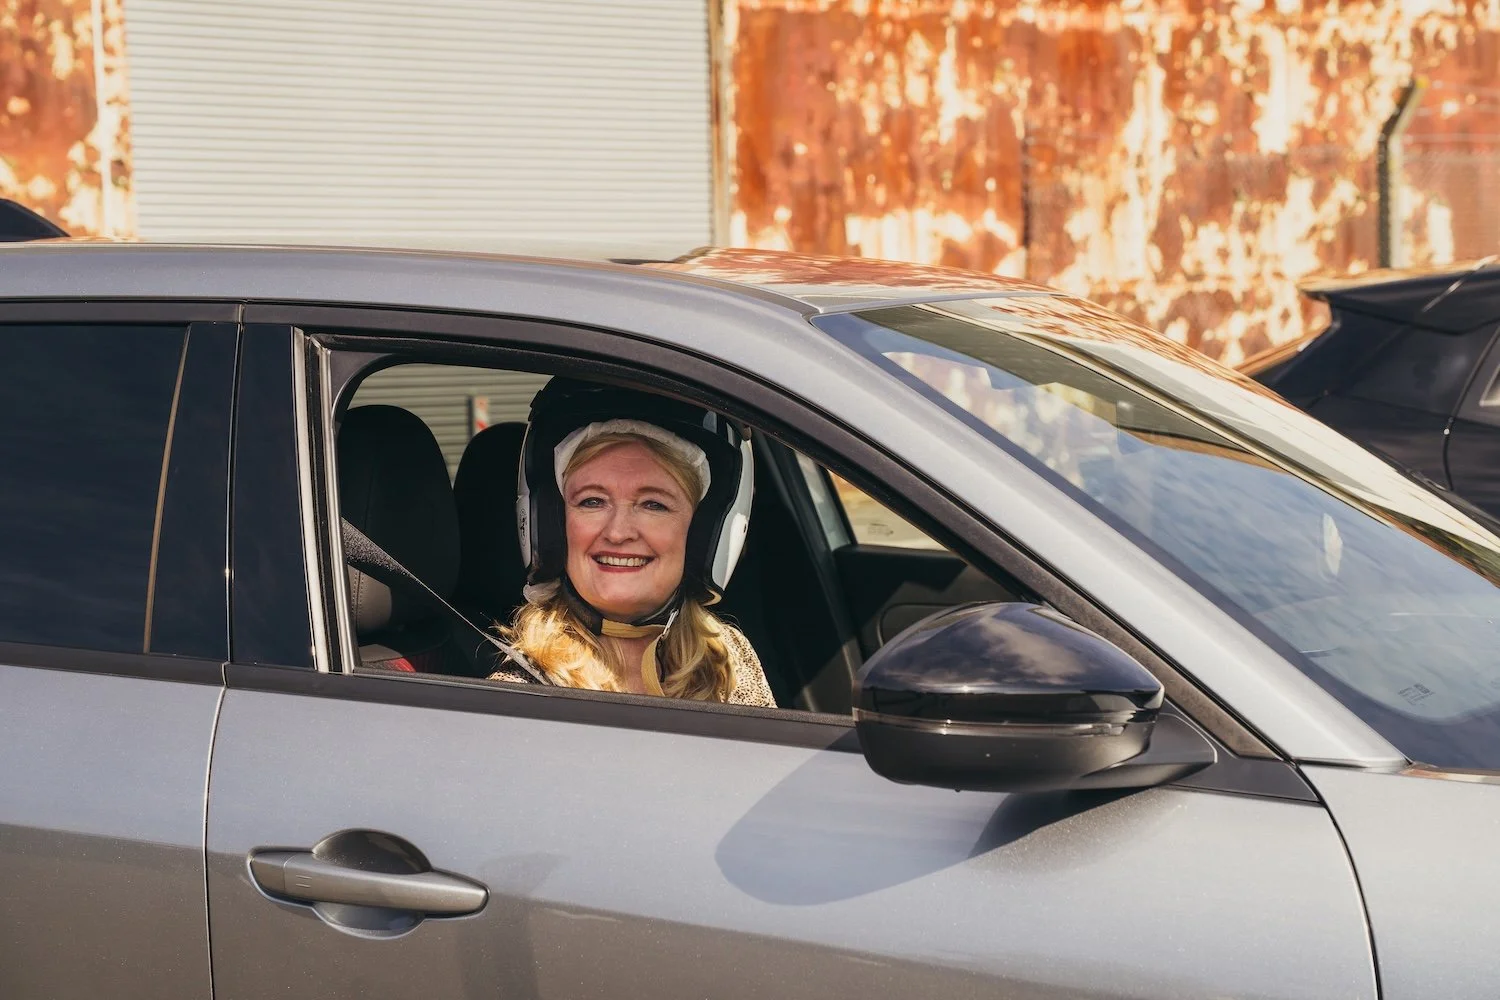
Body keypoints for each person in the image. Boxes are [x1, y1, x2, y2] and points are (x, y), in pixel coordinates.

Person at [487, 378, 775, 707]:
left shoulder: (727, 658)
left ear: (702, 534)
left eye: (654, 504)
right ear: (552, 525)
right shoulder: (518, 695)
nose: (618, 532)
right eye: (592, 501)